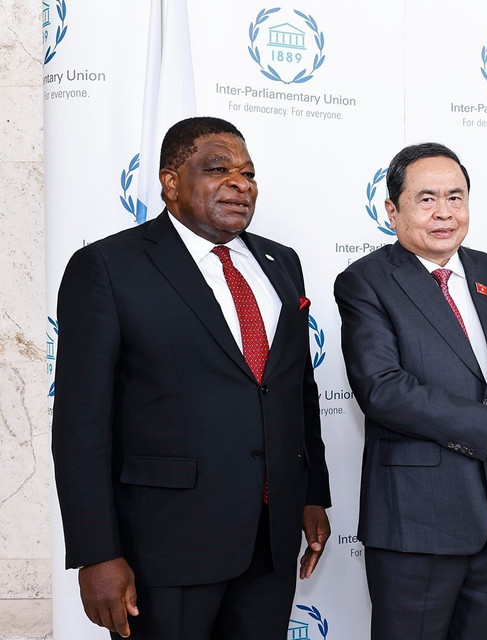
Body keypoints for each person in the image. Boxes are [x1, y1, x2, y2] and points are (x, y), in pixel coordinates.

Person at [51, 116, 332, 639]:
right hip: (164, 547)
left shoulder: (281, 262)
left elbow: (297, 390)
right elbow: (80, 423)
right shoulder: (108, 266)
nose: (240, 183)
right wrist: (97, 552)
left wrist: (312, 492)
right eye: (219, 169)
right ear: (171, 182)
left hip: (270, 541)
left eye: (248, 173)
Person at [333, 142, 487, 640]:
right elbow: (383, 390)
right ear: (392, 210)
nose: (444, 212)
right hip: (415, 524)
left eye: (456, 197)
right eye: (426, 198)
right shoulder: (365, 281)